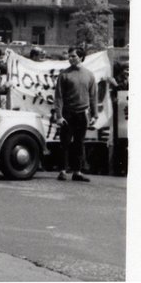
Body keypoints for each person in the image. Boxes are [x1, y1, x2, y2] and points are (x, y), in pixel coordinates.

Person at [54, 46, 98, 182]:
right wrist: (59, 116)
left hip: (82, 114)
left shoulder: (89, 75)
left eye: (73, 56)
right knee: (64, 143)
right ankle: (62, 171)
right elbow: (58, 97)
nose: (70, 58)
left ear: (81, 57)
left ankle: (77, 172)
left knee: (79, 143)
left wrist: (94, 114)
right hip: (67, 114)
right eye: (69, 56)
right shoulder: (64, 75)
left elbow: (93, 96)